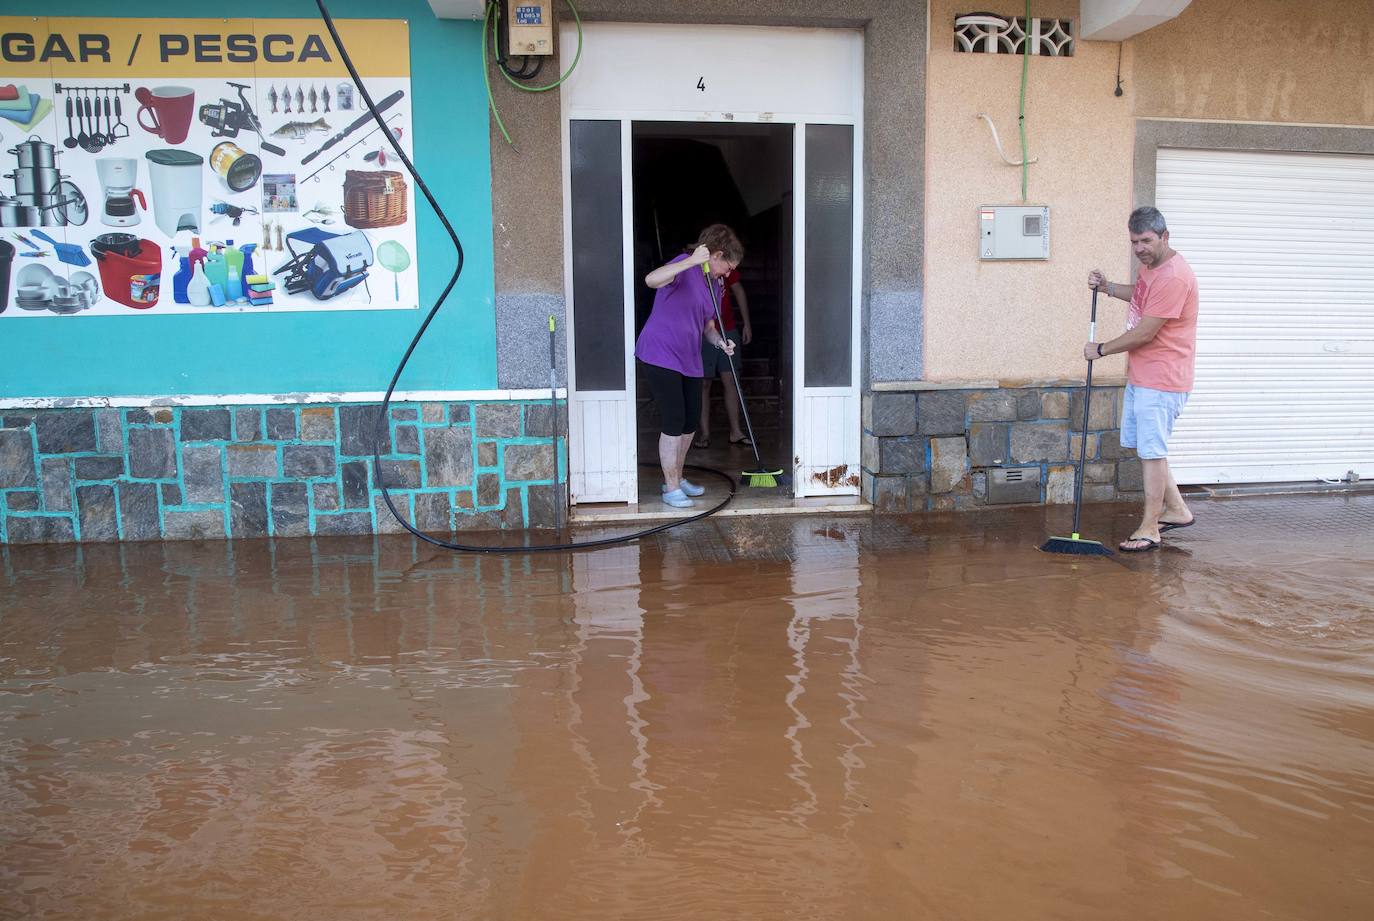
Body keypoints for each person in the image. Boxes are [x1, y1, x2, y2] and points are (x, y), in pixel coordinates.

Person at [1086, 206, 1200, 553]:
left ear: (1165, 237)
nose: (1140, 248)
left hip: (1162, 379)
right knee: (1149, 449)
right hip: (1144, 375)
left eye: (1147, 241)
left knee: (1152, 453)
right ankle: (1177, 510)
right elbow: (1141, 294)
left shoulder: (1174, 276)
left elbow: (1146, 332)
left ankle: (1150, 527)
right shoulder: (1152, 268)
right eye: (1135, 241)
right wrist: (1108, 288)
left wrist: (1101, 349)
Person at [637, 224, 743, 508]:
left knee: (689, 422)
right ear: (716, 254)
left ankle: (677, 477)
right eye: (728, 266)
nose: (729, 274)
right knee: (673, 421)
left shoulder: (714, 285)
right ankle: (671, 488)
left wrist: (721, 343)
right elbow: (651, 280)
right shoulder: (684, 267)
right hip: (661, 352)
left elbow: (708, 326)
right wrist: (691, 261)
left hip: (689, 358)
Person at [694, 268, 752, 448]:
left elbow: (738, 290)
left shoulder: (725, 267)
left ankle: (736, 432)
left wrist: (747, 324)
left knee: (731, 379)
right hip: (703, 330)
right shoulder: (697, 267)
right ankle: (704, 434)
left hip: (727, 328)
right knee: (704, 382)